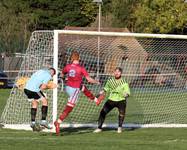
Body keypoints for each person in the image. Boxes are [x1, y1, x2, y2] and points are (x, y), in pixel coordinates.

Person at [54, 51, 100, 135]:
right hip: (74, 90)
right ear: (79, 58)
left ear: (71, 58)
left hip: (67, 88)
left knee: (82, 87)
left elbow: (61, 74)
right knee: (69, 108)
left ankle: (96, 99)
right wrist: (96, 82)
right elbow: (89, 80)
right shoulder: (81, 68)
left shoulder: (67, 67)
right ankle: (58, 122)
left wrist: (63, 79)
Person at [93, 67, 130, 133]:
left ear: (121, 73)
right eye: (115, 72)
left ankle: (119, 128)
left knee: (122, 114)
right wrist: (97, 95)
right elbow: (105, 89)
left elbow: (127, 93)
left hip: (121, 100)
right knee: (102, 112)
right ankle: (99, 128)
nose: (116, 73)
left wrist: (126, 95)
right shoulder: (110, 81)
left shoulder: (124, 82)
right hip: (111, 100)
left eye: (118, 72)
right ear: (114, 73)